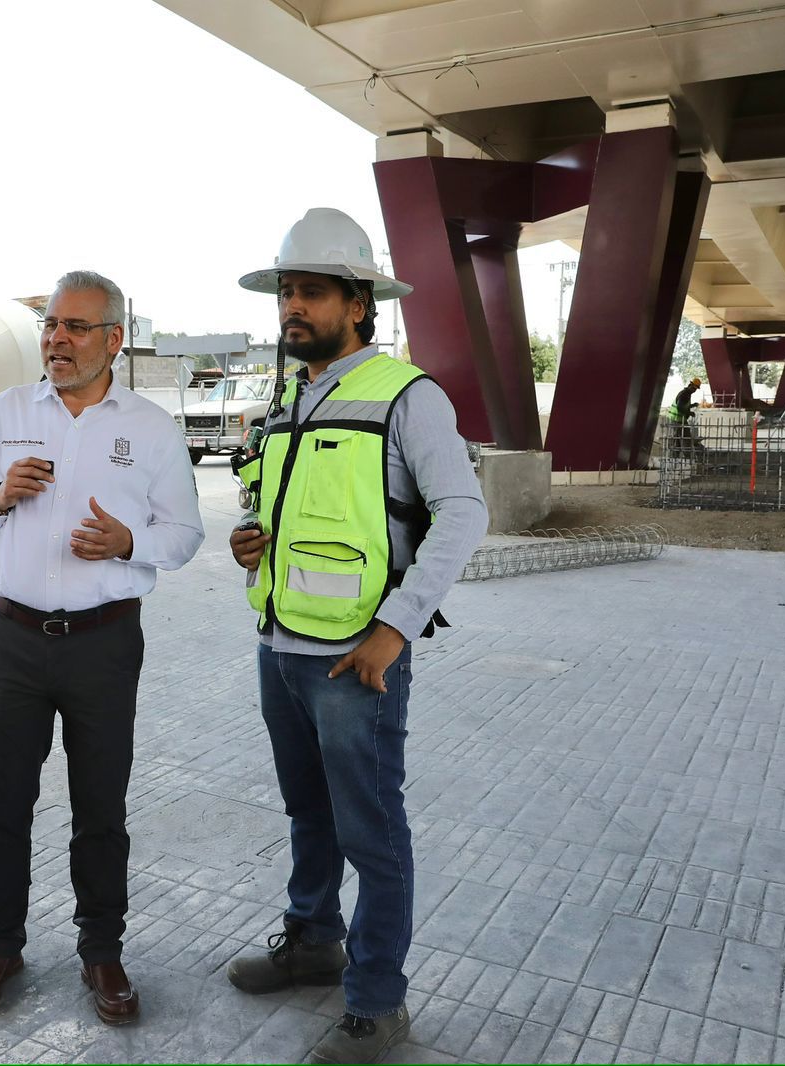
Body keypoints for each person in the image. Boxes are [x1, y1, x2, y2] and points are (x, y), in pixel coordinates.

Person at [227, 208, 488, 1064]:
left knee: (372, 831)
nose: (292, 307)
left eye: (309, 293)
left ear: (359, 303)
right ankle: (312, 942)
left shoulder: (407, 395)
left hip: (355, 660)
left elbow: (462, 512)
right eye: (285, 293)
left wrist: (394, 629)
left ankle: (375, 1000)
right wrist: (250, 541)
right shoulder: (291, 397)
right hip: (281, 648)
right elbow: (290, 511)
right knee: (309, 813)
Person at [0, 270, 204, 1025]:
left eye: (75, 328)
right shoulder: (5, 413)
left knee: (100, 806)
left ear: (113, 340)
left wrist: (130, 543)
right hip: (12, 639)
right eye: (50, 326)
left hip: (103, 643)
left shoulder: (150, 429)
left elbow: (184, 536)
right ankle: (1, 943)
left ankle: (101, 951)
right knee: (0, 802)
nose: (56, 339)